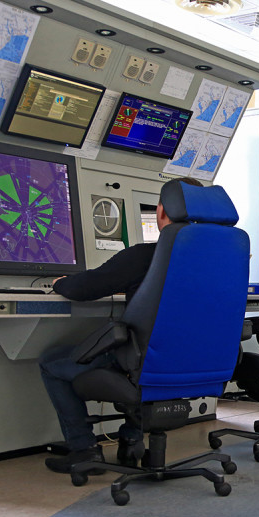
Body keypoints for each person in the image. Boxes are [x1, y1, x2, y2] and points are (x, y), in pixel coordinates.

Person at [40, 176, 203, 474]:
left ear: (161, 211)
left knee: (52, 363)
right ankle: (131, 441)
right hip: (197, 362)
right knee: (147, 359)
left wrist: (60, 283)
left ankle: (84, 449)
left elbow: (85, 288)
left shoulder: (145, 256)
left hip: (144, 362)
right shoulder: (221, 261)